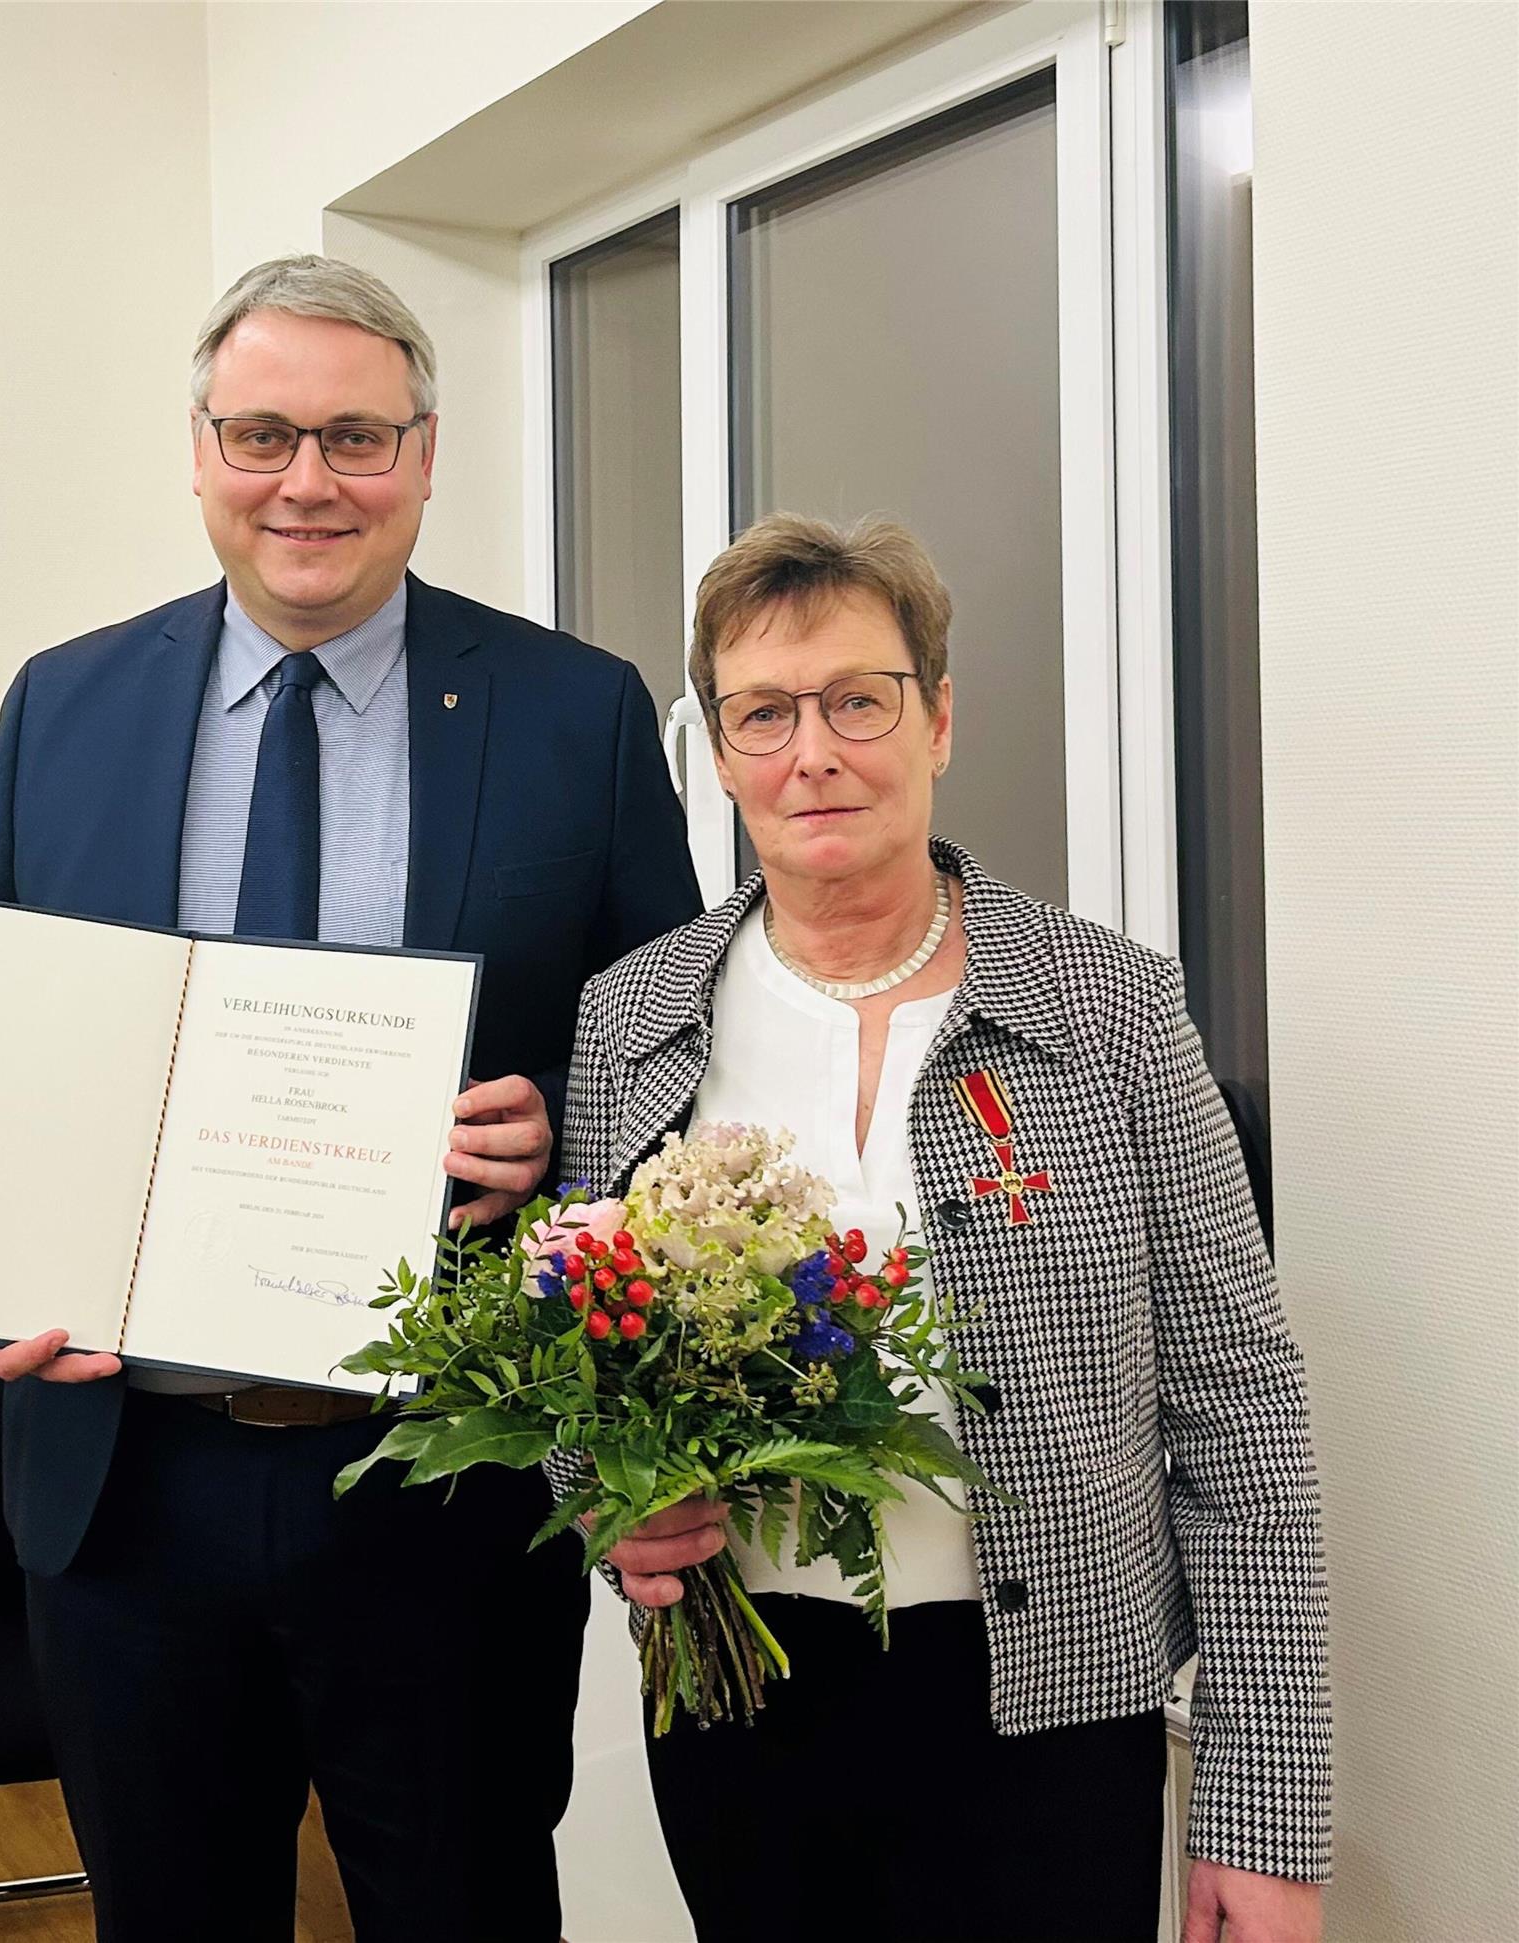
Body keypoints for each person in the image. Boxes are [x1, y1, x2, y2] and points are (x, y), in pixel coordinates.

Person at [0, 255, 702, 1942]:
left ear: (428, 457)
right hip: (128, 1474)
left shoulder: (572, 711)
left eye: (357, 438)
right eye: (265, 434)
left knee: (469, 1911)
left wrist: (563, 1137)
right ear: (202, 452)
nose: (310, 482)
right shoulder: (62, 707)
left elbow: (671, 1049)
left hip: (449, 1486)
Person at [560, 514, 1330, 1943]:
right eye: (766, 714)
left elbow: (1243, 1417)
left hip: (1050, 1712)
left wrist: (1262, 1812)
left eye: (860, 700)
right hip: (742, 1698)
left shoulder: (1109, 1007)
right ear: (720, 758)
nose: (816, 752)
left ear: (939, 719)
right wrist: (620, 1514)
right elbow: (579, 1369)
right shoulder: (636, 1016)